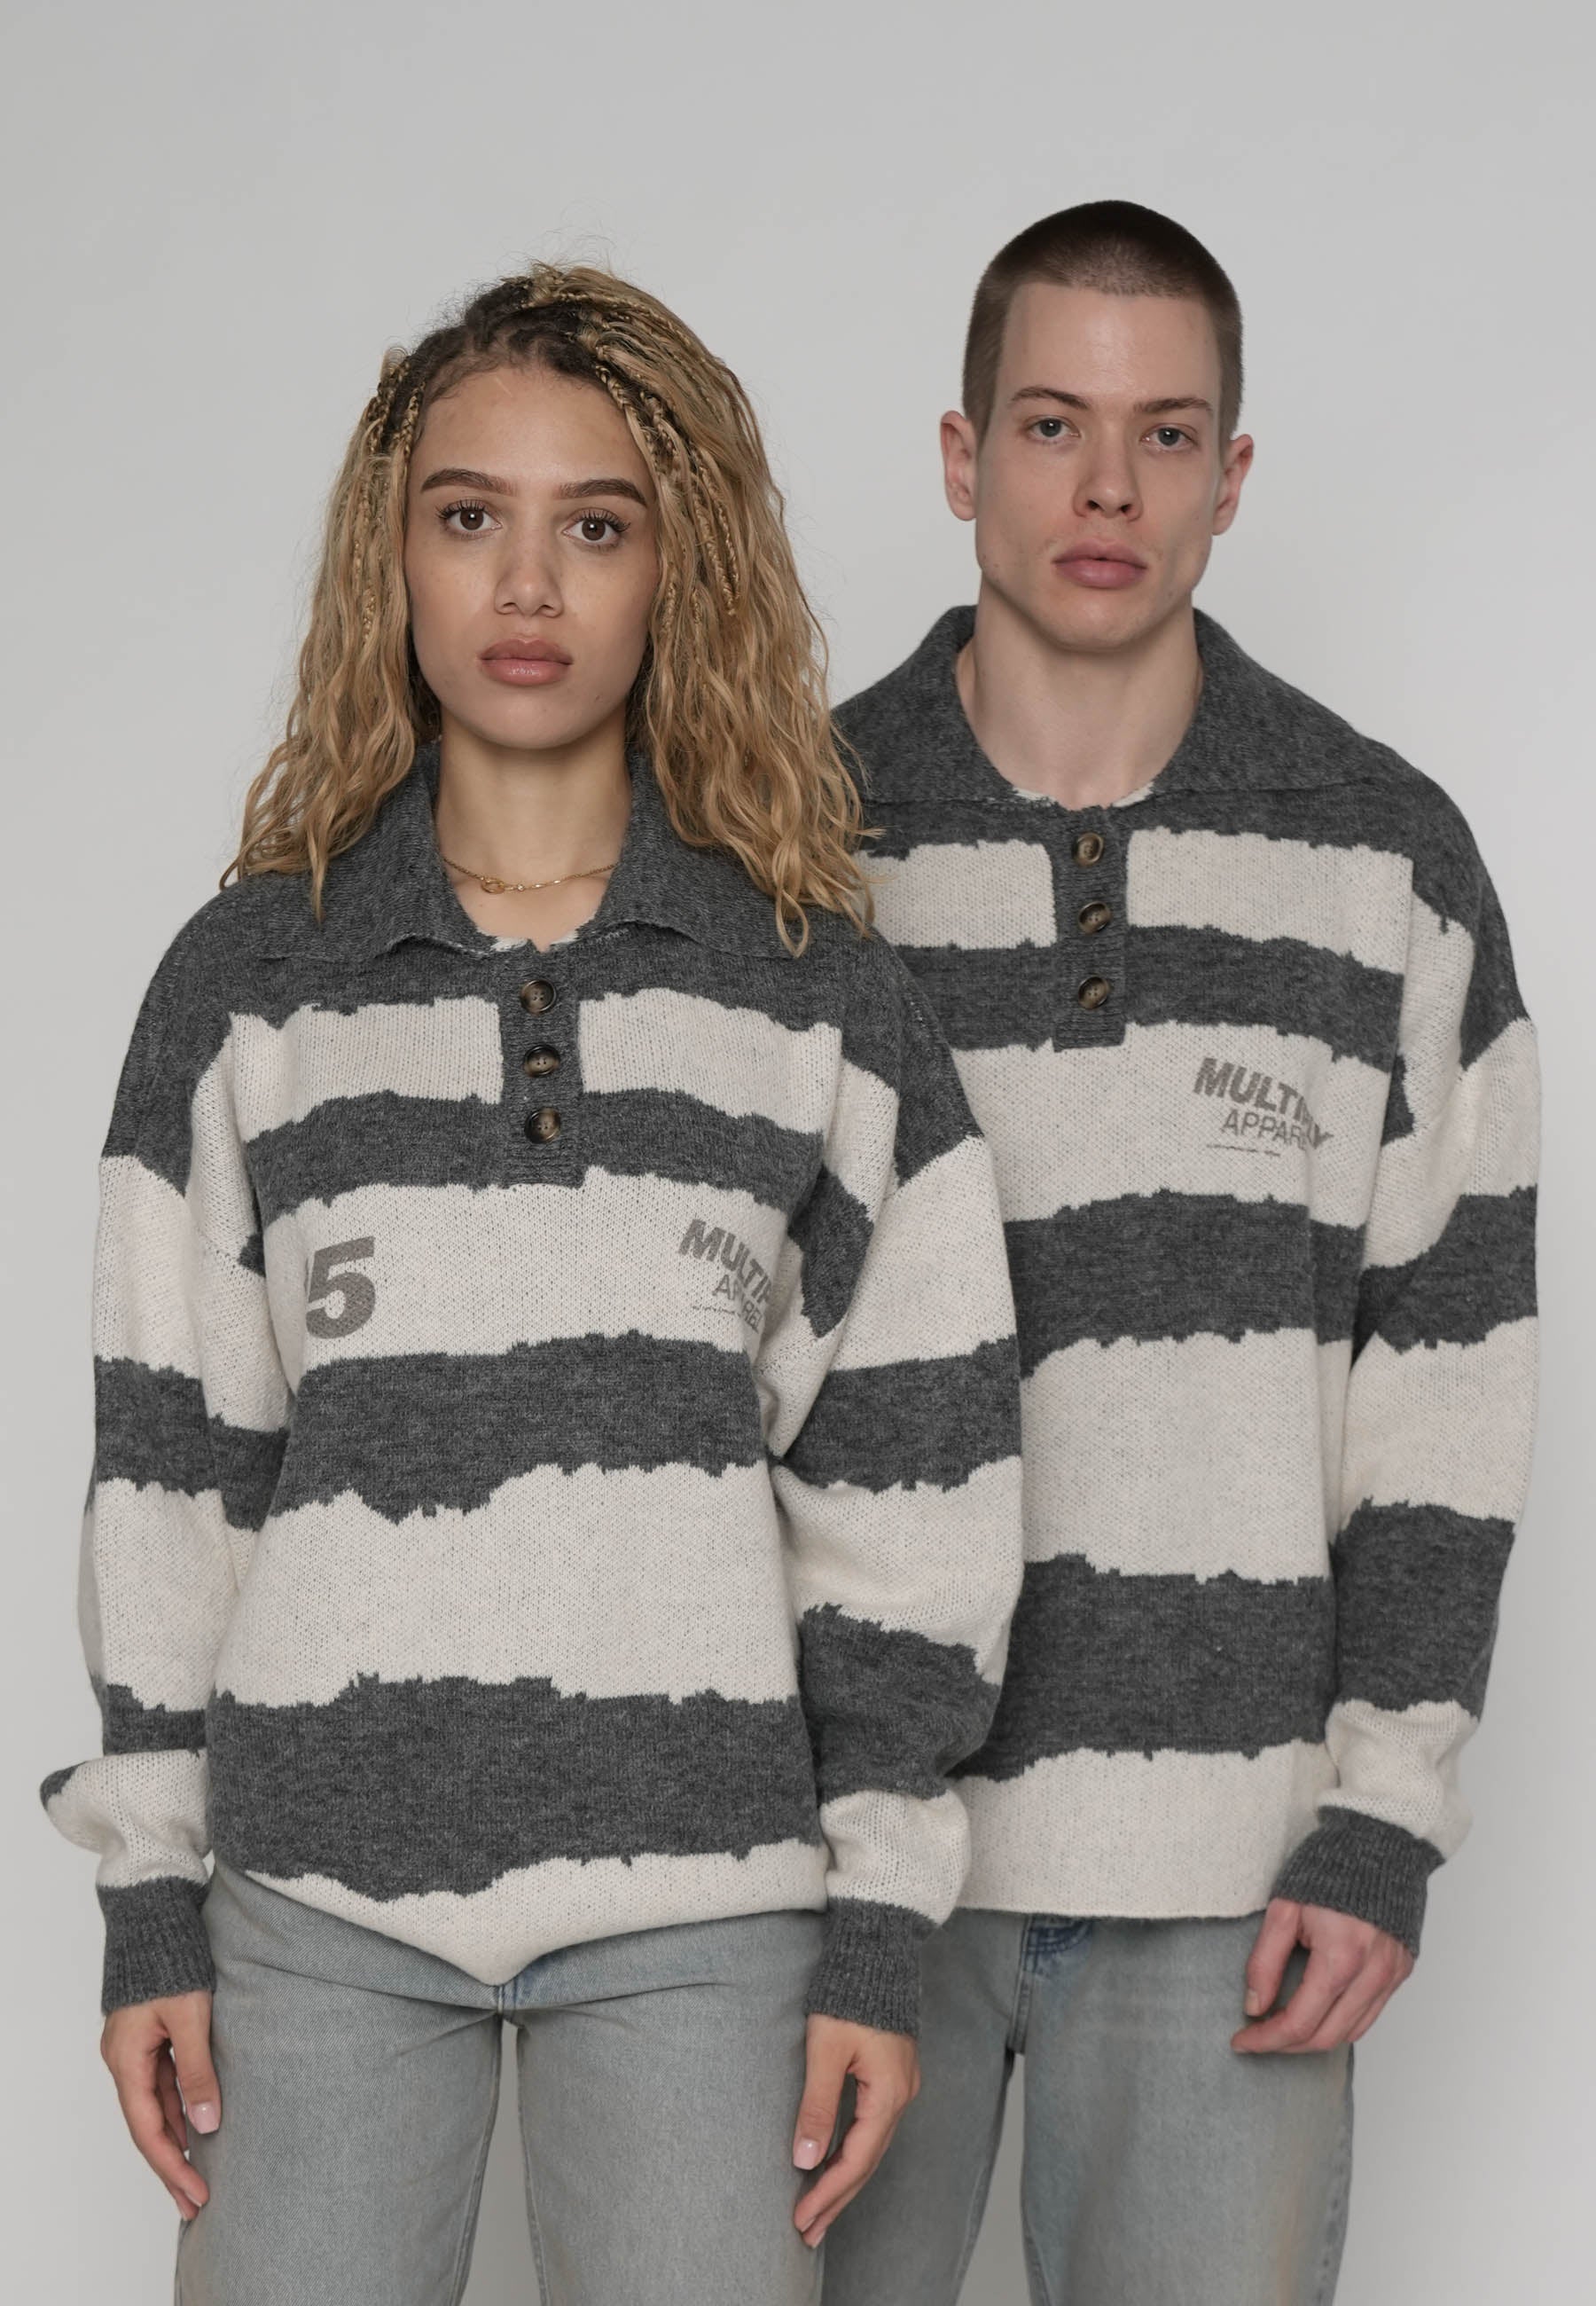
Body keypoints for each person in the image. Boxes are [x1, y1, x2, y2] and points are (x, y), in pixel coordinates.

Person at [37, 263, 1027, 2304]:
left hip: (706, 1909)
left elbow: (911, 1493)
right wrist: (148, 1897)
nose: (525, 584)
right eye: (469, 514)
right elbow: (170, 1477)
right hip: (314, 1898)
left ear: (682, 570)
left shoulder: (817, 994)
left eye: (596, 525)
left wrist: (875, 1926)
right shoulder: (248, 986)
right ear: (390, 557)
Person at [822, 200, 1538, 2306]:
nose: (1107, 490)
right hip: (842, 1863)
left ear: (1232, 477)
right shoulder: (794, 848)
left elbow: (1446, 1373)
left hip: (1235, 1870)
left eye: (1163, 436)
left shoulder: (1384, 859)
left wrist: (1384, 1809)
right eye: (1053, 425)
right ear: (961, 457)